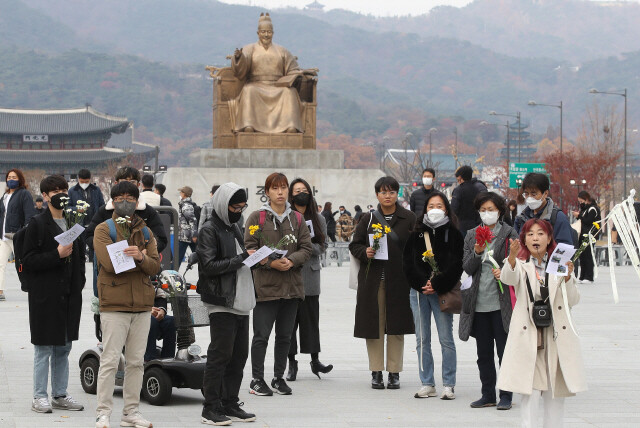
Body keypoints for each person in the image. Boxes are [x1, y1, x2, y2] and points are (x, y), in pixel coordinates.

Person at [498, 219, 587, 428]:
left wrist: (568, 278)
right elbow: (508, 279)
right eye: (530, 234)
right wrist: (511, 257)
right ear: (524, 240)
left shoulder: (559, 265)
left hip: (555, 336)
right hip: (529, 336)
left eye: (540, 233)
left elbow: (572, 300)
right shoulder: (521, 264)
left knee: (554, 391)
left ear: (549, 239)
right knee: (530, 391)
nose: (535, 238)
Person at [94, 181, 161, 428]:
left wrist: (141, 256)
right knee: (110, 360)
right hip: (114, 303)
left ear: (137, 201)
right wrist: (135, 258)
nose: (125, 201)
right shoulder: (104, 229)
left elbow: (155, 266)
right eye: (120, 197)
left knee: (135, 361)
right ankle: (103, 412)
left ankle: (131, 411)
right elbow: (110, 265)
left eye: (130, 197)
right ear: (112, 201)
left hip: (142, 304)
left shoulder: (146, 231)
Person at [244, 173, 312, 396]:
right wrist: (271, 263)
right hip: (266, 288)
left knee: (285, 336)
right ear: (267, 192)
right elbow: (249, 250)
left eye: (284, 188)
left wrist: (291, 260)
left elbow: (306, 248)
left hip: (291, 288)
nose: (280, 192)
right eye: (275, 188)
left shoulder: (298, 219)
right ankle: (256, 379)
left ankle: (278, 377)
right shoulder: (257, 218)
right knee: (261, 335)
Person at [23, 175, 85, 413]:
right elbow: (28, 260)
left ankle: (60, 393)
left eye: (63, 190)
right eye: (55, 191)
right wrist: (55, 255)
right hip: (45, 295)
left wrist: (79, 281)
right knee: (44, 347)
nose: (61, 194)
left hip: (69, 295)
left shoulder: (73, 221)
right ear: (46, 196)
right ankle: (39, 396)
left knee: (64, 346)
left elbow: (80, 257)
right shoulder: (37, 223)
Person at [197, 183, 257, 425]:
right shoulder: (209, 229)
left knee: (239, 355)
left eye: (243, 207)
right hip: (222, 300)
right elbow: (209, 266)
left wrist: (256, 257)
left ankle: (230, 402)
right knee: (220, 355)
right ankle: (210, 407)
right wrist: (243, 258)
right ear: (223, 204)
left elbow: (240, 260)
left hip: (241, 299)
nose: (239, 211)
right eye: (235, 206)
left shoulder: (235, 226)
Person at [350, 176, 416, 390]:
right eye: (383, 192)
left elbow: (415, 248)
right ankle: (376, 371)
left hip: (400, 280)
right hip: (373, 280)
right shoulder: (368, 219)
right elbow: (355, 245)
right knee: (374, 326)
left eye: (392, 192)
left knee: (396, 326)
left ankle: (394, 372)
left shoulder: (409, 218)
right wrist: (365, 252)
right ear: (377, 194)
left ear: (398, 194)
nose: (388, 196)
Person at [459, 192, 518, 410]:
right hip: (479, 302)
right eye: (483, 210)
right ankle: (487, 394)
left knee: (505, 352)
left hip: (502, 303)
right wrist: (476, 251)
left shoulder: (509, 233)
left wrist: (503, 270)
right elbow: (466, 267)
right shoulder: (472, 234)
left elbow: (517, 264)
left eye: (491, 209)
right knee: (483, 353)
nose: (487, 213)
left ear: (500, 211)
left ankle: (506, 395)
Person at [402, 191, 461, 399]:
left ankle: (448, 383)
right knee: (422, 339)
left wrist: (436, 283)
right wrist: (421, 284)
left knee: (446, 338)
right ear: (425, 209)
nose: (435, 209)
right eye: (431, 206)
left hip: (442, 292)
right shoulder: (416, 233)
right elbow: (409, 263)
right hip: (419, 293)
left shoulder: (453, 233)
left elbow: (456, 264)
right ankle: (427, 382)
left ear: (446, 208)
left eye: (439, 205)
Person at [230, 13, 316, 134]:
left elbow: (292, 69)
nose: (266, 35)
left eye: (269, 32)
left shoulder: (282, 51)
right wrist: (239, 58)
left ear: (273, 33)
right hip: (256, 85)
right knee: (248, 90)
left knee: (289, 93)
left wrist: (300, 73)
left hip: (278, 86)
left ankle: (290, 126)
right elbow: (240, 70)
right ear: (258, 33)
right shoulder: (250, 49)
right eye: (263, 32)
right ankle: (248, 125)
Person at [286, 178, 332, 381]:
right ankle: (291, 363)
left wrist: (304, 248)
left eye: (304, 190)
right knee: (289, 324)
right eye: (297, 190)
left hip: (310, 277)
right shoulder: (285, 218)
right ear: (291, 194)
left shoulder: (318, 218)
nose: (301, 193)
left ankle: (315, 360)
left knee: (311, 321)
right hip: (289, 276)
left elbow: (323, 247)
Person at [85, 166, 167, 256]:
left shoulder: (148, 212)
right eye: (124, 181)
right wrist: (105, 249)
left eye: (132, 182)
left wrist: (147, 251)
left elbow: (161, 239)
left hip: (141, 264)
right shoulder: (105, 211)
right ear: (116, 183)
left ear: (138, 185)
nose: (128, 185)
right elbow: (89, 235)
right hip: (109, 263)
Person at [0, 168, 36, 301]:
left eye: (14, 177)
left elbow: (29, 215)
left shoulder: (24, 194)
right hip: (4, 236)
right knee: (0, 264)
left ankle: (32, 286)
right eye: (9, 177)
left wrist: (25, 232)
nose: (11, 180)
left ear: (20, 179)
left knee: (23, 263)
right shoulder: (4, 196)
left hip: (17, 236)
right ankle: (0, 290)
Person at [513, 173, 573, 246]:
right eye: (526, 194)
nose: (529, 198)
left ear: (545, 193)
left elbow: (565, 249)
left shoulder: (558, 218)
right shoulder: (521, 218)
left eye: (534, 194)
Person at [68, 168, 106, 260]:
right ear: (78, 179)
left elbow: (102, 205)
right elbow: (67, 207)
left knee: (94, 247)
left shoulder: (96, 190)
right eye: (82, 181)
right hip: (79, 224)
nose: (84, 183)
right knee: (79, 250)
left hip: (94, 223)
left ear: (90, 180)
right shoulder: (72, 191)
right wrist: (77, 209)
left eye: (86, 181)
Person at [451, 165, 488, 238]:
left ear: (461, 178)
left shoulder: (458, 190)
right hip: (475, 225)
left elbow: (453, 209)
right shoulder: (477, 190)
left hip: (461, 226)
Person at [572, 191, 600, 283]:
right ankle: (582, 276)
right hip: (583, 235)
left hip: (590, 235)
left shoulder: (593, 209)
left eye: (581, 201)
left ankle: (589, 276)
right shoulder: (585, 209)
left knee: (587, 255)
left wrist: (579, 216)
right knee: (582, 255)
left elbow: (588, 221)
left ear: (586, 199)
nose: (581, 204)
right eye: (579, 202)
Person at [144, 286, 176, 362]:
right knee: (151, 321)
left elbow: (160, 297)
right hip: (136, 312)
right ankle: (149, 359)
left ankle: (168, 359)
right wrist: (146, 309)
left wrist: (161, 310)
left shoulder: (152, 277)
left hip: (152, 311)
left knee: (171, 321)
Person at [178, 186, 199, 264]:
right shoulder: (185, 204)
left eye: (181, 192)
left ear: (184, 194)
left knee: (177, 258)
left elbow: (192, 220)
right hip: (187, 235)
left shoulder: (186, 206)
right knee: (199, 256)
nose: (180, 194)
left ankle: (173, 274)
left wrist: (194, 234)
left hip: (186, 236)